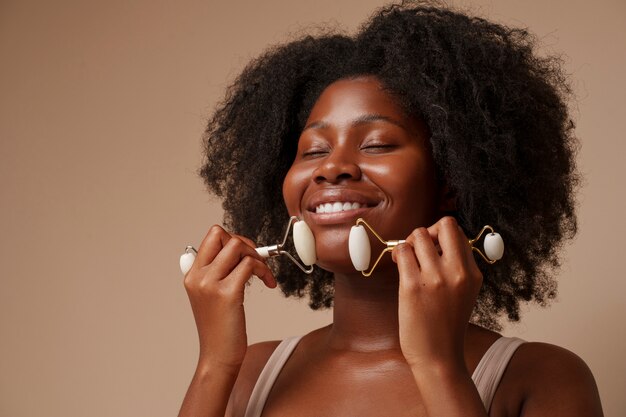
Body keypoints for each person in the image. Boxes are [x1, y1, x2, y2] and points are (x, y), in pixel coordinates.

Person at [178, 1, 603, 416]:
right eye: (312, 150)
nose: (331, 168)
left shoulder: (542, 378)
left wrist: (438, 365)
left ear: (452, 180)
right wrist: (215, 364)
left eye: (376, 144)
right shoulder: (248, 375)